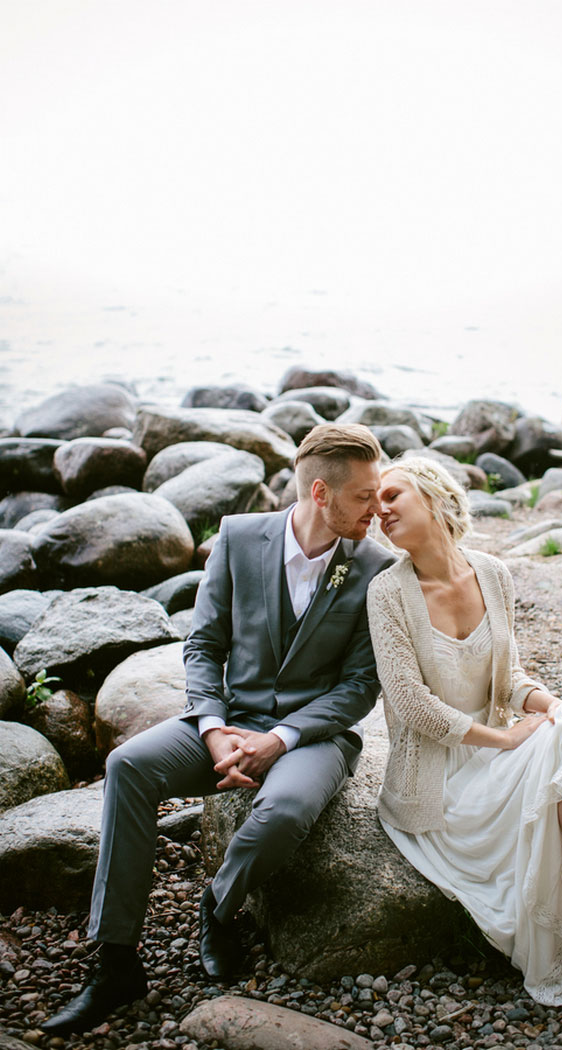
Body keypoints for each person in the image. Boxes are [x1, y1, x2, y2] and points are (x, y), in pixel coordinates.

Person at [41, 423, 394, 1036]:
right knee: (128, 766)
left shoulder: (376, 568)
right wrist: (212, 728)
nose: (378, 509)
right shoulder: (237, 537)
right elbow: (203, 645)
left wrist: (279, 740)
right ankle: (116, 961)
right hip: (228, 718)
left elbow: (359, 687)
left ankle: (220, 904)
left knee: (282, 812)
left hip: (315, 734)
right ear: (320, 493)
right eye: (364, 496)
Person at [366, 456, 562, 1007]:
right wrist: (507, 739)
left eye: (393, 496)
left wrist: (557, 705)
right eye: (375, 502)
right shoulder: (387, 592)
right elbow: (410, 703)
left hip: (493, 760)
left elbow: (508, 679)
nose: (378, 509)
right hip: (438, 782)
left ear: (435, 497)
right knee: (559, 748)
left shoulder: (493, 573)